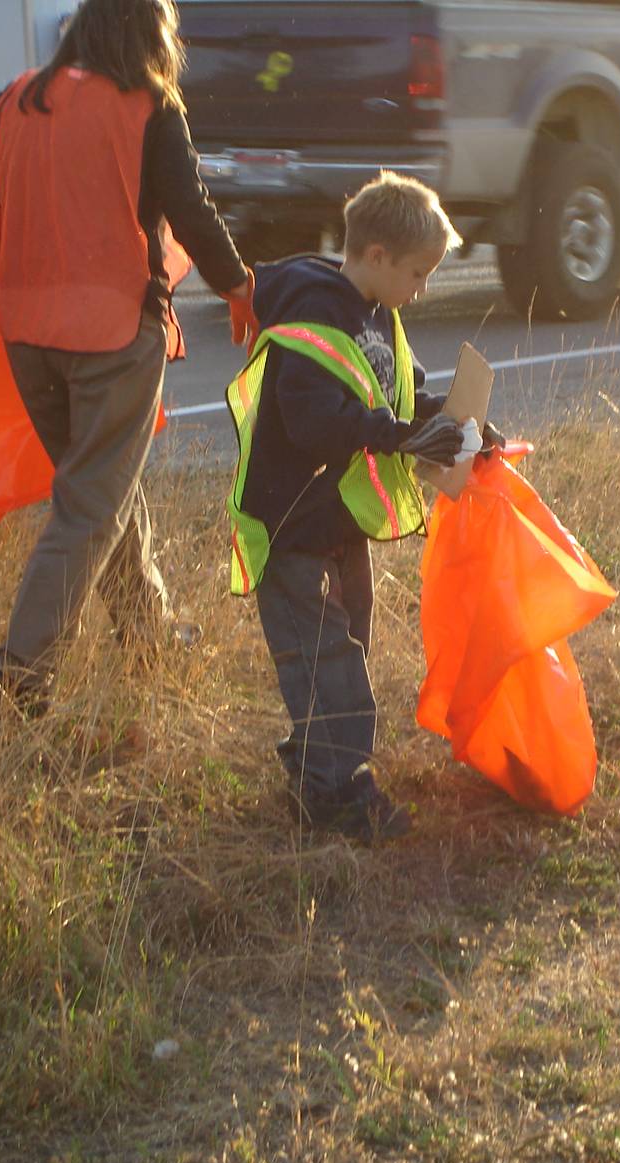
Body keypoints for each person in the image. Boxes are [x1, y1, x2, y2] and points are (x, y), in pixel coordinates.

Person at [0, 0, 258, 717]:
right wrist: (239, 285)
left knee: (103, 488)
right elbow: (190, 210)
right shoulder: (149, 105)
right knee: (87, 507)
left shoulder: (12, 100)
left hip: (26, 335)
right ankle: (15, 682)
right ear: (151, 32)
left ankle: (147, 633)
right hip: (113, 335)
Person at [223, 171, 497, 841]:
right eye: (417, 273)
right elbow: (318, 420)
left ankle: (312, 762)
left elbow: (399, 396)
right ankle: (337, 796)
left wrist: (458, 423)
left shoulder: (380, 312)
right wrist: (401, 435)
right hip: (289, 524)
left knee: (350, 640)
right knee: (327, 659)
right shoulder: (311, 315)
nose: (421, 288)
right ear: (376, 257)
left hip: (336, 521)